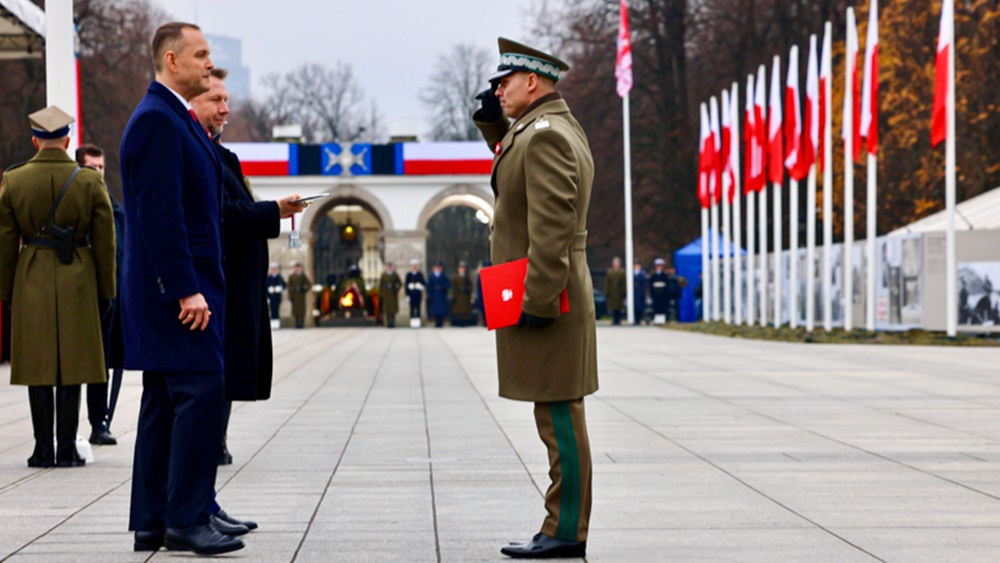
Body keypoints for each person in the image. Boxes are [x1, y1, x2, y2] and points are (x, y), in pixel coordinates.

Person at [119, 22, 242, 555]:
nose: (208, 64)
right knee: (200, 393)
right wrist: (185, 289)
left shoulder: (171, 117)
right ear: (172, 61)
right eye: (201, 55)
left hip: (174, 291)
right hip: (178, 296)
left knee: (163, 404)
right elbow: (161, 216)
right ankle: (187, 519)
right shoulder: (158, 120)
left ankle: (153, 518)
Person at [474, 37, 596, 559]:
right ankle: (561, 525)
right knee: (555, 415)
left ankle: (564, 530)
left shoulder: (545, 136)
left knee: (560, 419)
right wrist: (492, 126)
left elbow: (552, 227)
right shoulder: (545, 127)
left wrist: (539, 301)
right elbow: (516, 165)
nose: (497, 91)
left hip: (550, 296)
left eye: (504, 83)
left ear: (531, 81)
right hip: (549, 290)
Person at [190, 67, 303, 465]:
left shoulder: (220, 155)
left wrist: (271, 210)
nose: (225, 109)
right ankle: (208, 447)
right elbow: (223, 215)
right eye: (216, 100)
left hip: (230, 284)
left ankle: (214, 444)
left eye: (226, 100)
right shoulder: (200, 154)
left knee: (224, 372)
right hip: (214, 285)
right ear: (191, 102)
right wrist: (272, 210)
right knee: (212, 374)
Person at [0, 106, 116, 468]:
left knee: (38, 366)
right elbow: (105, 244)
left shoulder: (14, 180)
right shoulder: (90, 181)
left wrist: (7, 291)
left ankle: (42, 449)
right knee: (73, 365)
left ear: (35, 141)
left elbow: (5, 245)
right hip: (78, 275)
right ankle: (66, 447)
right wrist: (106, 291)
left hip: (32, 274)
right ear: (67, 141)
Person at [75, 143, 122, 446]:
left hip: (109, 295)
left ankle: (100, 421)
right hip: (78, 293)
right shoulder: (72, 207)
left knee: (103, 362)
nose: (98, 173)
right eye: (92, 168)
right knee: (71, 363)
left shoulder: (115, 208)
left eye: (101, 167)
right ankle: (66, 429)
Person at [427, 261, 451, 328]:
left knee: (441, 309)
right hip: (434, 295)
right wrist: (429, 294)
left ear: (441, 268)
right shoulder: (431, 276)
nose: (437, 268)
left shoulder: (444, 276)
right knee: (435, 309)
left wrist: (442, 287)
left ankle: (441, 321)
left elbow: (448, 284)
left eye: (438, 267)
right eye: (435, 267)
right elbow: (429, 286)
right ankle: (436, 321)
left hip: (442, 294)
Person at [378, 262, 402, 327]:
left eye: (390, 267)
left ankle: (393, 322)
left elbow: (400, 283)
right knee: (387, 309)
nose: (389, 268)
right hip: (386, 293)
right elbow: (380, 285)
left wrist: (396, 289)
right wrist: (382, 293)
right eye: (388, 267)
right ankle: (388, 322)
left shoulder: (395, 275)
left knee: (393, 309)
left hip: (393, 293)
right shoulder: (384, 275)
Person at [287, 262, 311, 329]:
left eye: (299, 267)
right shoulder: (292, 276)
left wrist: (305, 289)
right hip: (294, 295)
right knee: (295, 310)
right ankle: (297, 323)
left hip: (301, 295)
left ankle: (302, 323)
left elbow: (309, 284)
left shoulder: (303, 276)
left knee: (302, 310)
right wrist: (290, 295)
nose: (297, 269)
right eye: (296, 268)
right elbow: (289, 286)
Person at [604, 257, 626, 325]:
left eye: (617, 263)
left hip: (619, 292)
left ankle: (618, 320)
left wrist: (624, 292)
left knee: (619, 307)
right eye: (615, 263)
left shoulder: (622, 272)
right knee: (613, 307)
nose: (616, 265)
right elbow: (607, 283)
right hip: (612, 291)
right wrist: (607, 292)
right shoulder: (610, 272)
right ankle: (614, 320)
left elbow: (624, 283)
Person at [451, 261, 474, 326]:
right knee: (458, 309)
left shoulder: (467, 277)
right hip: (458, 295)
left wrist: (467, 289)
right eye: (460, 268)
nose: (461, 270)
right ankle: (459, 321)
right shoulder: (455, 277)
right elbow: (453, 287)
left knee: (465, 309)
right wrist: (454, 294)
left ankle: (464, 321)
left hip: (465, 295)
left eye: (463, 268)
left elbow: (471, 285)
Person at [405, 259, 426, 326]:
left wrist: (419, 286)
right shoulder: (408, 275)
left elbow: (424, 283)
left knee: (418, 308)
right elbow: (406, 285)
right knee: (411, 308)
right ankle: (412, 323)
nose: (414, 267)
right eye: (413, 266)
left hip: (418, 294)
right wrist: (407, 295)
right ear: (411, 266)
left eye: (415, 266)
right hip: (411, 294)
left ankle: (417, 323)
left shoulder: (420, 274)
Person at [649, 258, 669, 324]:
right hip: (656, 294)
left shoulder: (665, 275)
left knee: (662, 307)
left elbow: (667, 286)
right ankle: (657, 320)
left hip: (663, 295)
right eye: (658, 266)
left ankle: (662, 320)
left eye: (660, 266)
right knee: (656, 308)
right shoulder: (653, 275)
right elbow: (651, 286)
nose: (659, 267)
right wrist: (652, 294)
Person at [266, 263, 286, 328]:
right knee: (271, 310)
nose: (274, 270)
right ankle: (272, 324)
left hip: (277, 297)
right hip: (271, 297)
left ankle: (276, 324)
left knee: (276, 310)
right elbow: (265, 286)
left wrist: (280, 288)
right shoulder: (269, 277)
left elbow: (284, 285)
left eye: (275, 269)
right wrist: (268, 291)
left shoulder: (279, 277)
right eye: (273, 269)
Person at [632, 260, 647, 325]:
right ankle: (634, 319)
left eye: (638, 265)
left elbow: (644, 284)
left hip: (640, 292)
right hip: (634, 291)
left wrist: (642, 291)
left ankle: (639, 319)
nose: (637, 266)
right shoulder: (631, 273)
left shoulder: (642, 274)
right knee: (633, 306)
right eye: (635, 265)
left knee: (639, 307)